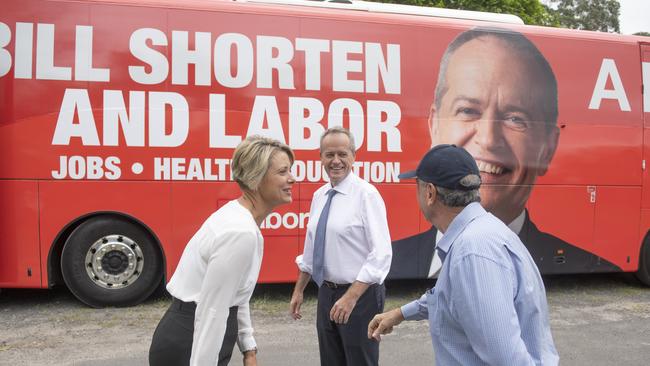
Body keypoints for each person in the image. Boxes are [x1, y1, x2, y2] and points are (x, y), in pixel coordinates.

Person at [388, 27, 620, 280]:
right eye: (467, 110)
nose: (488, 139)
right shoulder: (389, 256)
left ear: (548, 148)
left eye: (514, 118)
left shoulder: (516, 267)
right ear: (434, 124)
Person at [369, 144, 559, 365]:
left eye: (417, 186)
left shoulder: (473, 252)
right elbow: (448, 297)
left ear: (430, 193)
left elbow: (506, 359)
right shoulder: (480, 234)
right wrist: (401, 313)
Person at [149, 136, 295, 366]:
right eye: (283, 171)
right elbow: (212, 312)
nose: (292, 179)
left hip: (190, 336)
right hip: (191, 344)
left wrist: (248, 347)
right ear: (256, 178)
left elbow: (235, 295)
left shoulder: (238, 217)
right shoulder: (239, 232)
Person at [289, 126, 392, 366]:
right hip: (327, 293)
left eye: (342, 154)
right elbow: (311, 248)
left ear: (353, 156)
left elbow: (381, 254)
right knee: (331, 361)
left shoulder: (367, 195)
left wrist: (351, 297)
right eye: (329, 154)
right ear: (321, 157)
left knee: (359, 361)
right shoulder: (320, 195)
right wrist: (299, 289)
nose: (336, 161)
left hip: (360, 296)